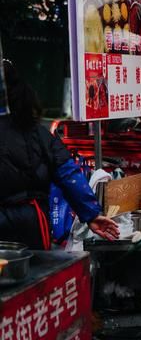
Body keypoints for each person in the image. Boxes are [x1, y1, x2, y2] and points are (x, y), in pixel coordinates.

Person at [0, 60, 119, 249]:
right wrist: (91, 214)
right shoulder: (39, 134)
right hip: (33, 223)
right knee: (36, 275)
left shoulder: (37, 133)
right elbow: (68, 174)